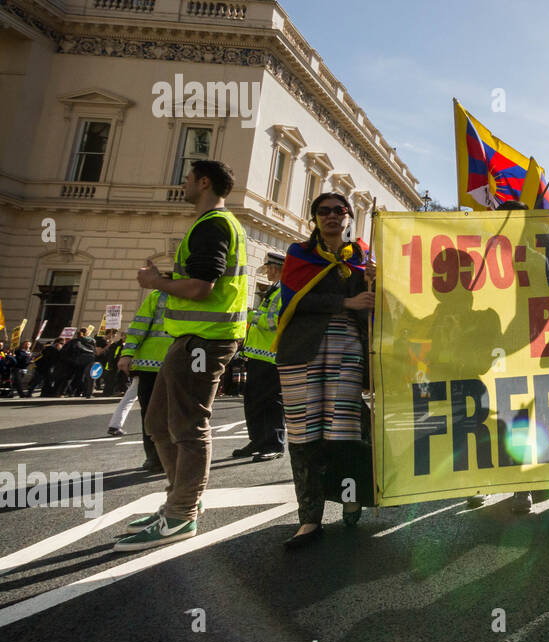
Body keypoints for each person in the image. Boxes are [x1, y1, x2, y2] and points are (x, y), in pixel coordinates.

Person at [114, 159, 248, 551]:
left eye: (187, 179)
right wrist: (167, 280)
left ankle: (182, 513)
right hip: (191, 339)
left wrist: (155, 282)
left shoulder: (214, 225)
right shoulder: (211, 225)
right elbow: (205, 282)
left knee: (188, 427)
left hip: (205, 340)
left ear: (203, 182)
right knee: (157, 423)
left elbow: (203, 288)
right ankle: (180, 500)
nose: (182, 184)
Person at [277, 193, 375, 549]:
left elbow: (375, 310)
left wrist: (374, 285)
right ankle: (309, 520)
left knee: (345, 432)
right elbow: (294, 302)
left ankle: (352, 496)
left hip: (348, 351)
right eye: (324, 211)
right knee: (303, 436)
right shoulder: (298, 255)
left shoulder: (363, 258)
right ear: (314, 218)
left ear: (349, 218)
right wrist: (345, 301)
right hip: (302, 353)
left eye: (339, 210)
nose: (332, 216)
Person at [233, 252, 287, 461]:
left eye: (270, 268)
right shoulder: (273, 290)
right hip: (257, 355)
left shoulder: (283, 291)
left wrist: (253, 315)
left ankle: (274, 443)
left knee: (272, 402)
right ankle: (257, 440)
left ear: (277, 268)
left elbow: (276, 322)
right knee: (253, 401)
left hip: (272, 357)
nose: (267, 272)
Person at [114, 289, 172, 472]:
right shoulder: (159, 295)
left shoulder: (199, 291)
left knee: (175, 414)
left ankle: (169, 455)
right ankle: (154, 456)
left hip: (179, 364)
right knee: (150, 414)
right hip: (151, 365)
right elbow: (138, 326)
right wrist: (127, 353)